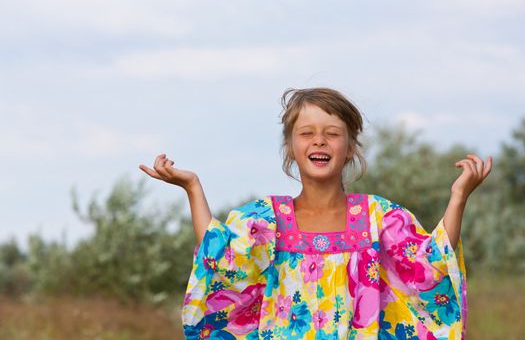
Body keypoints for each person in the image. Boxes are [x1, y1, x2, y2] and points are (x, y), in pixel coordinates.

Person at [139, 87, 492, 339]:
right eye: (306, 133)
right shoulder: (268, 220)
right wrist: (193, 187)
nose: (319, 141)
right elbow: (220, 258)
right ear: (291, 148)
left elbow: (428, 266)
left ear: (350, 147)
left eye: (332, 134)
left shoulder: (378, 217)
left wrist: (459, 196)